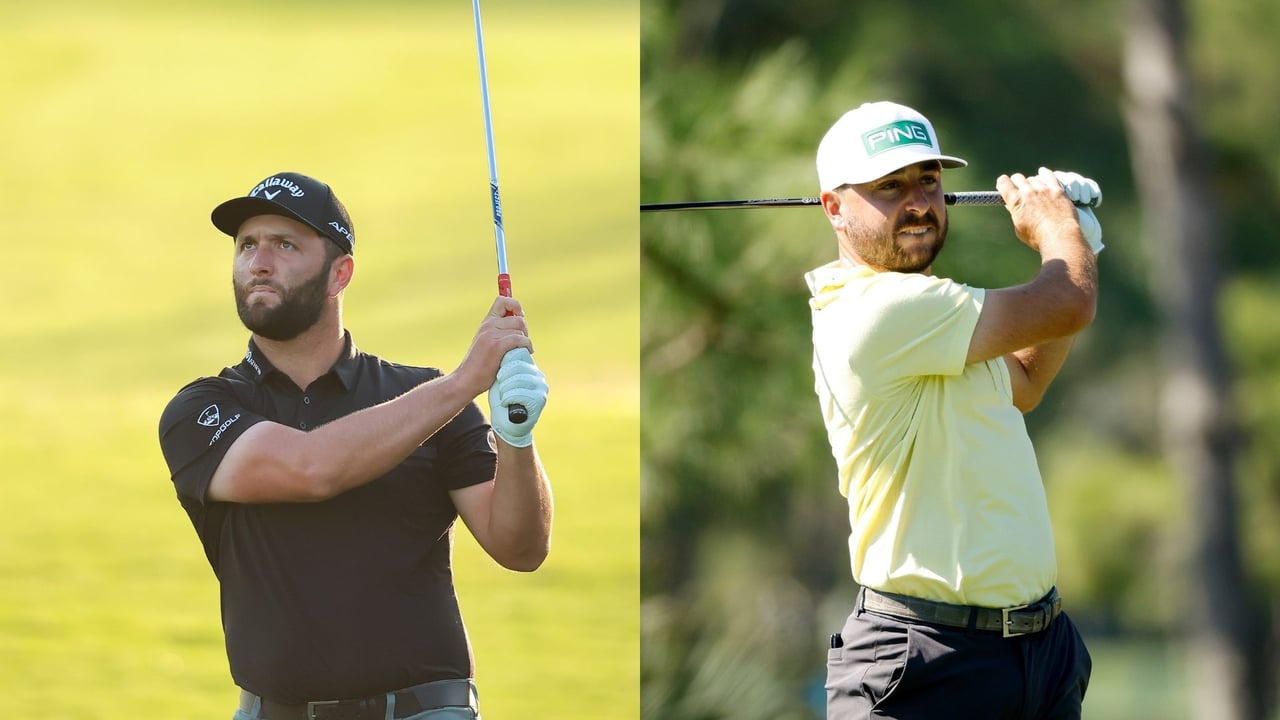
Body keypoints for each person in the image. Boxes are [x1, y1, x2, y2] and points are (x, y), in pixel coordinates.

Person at [158, 171, 551, 720]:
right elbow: (310, 470)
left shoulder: (424, 397)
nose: (259, 262)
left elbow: (521, 547)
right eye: (247, 245)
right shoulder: (201, 411)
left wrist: (515, 437)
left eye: (285, 244)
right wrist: (463, 383)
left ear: (339, 273)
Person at [808, 102, 1102, 719]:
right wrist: (1058, 231)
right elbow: (1069, 301)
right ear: (833, 207)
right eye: (889, 186)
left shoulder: (938, 312)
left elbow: (1024, 382)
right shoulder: (876, 312)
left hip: (1037, 655)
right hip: (924, 664)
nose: (917, 201)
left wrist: (1081, 241)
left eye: (929, 180)